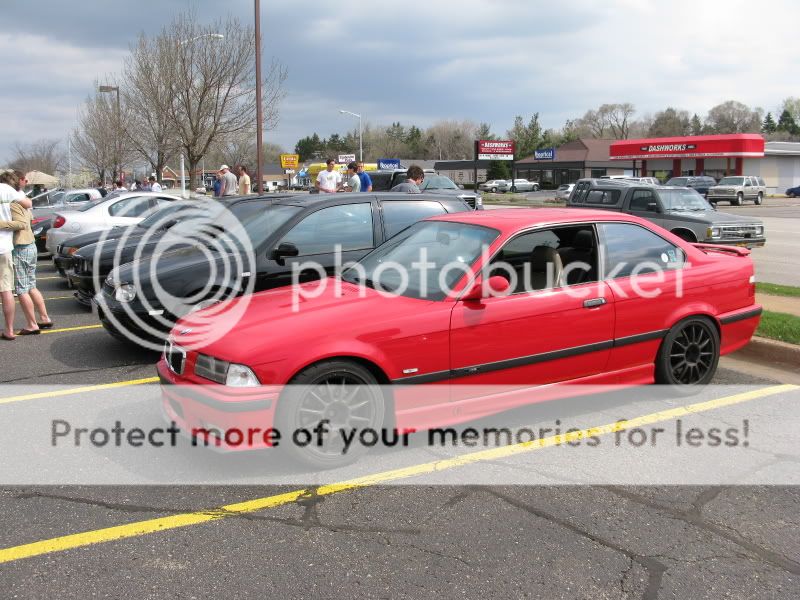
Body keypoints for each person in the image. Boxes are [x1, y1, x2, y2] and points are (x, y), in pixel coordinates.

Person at [0, 171, 52, 336]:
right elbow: (28, 217)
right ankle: (44, 318)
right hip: (30, 245)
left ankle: (32, 324)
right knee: (30, 286)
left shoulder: (13, 203)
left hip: (21, 246)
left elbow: (21, 224)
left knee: (22, 289)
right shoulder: (21, 200)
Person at [0, 170, 34, 340]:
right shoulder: (8, 191)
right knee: (6, 290)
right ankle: (9, 329)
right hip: (4, 247)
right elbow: (28, 203)